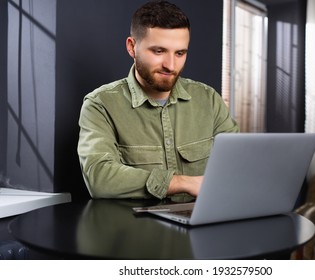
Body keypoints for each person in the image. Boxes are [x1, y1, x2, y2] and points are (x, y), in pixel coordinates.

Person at [77, 0, 239, 201]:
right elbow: (99, 177)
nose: (171, 65)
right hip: (136, 227)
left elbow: (237, 164)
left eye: (180, 53)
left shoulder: (209, 99)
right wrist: (184, 183)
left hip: (203, 222)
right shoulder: (99, 105)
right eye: (159, 51)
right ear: (131, 47)